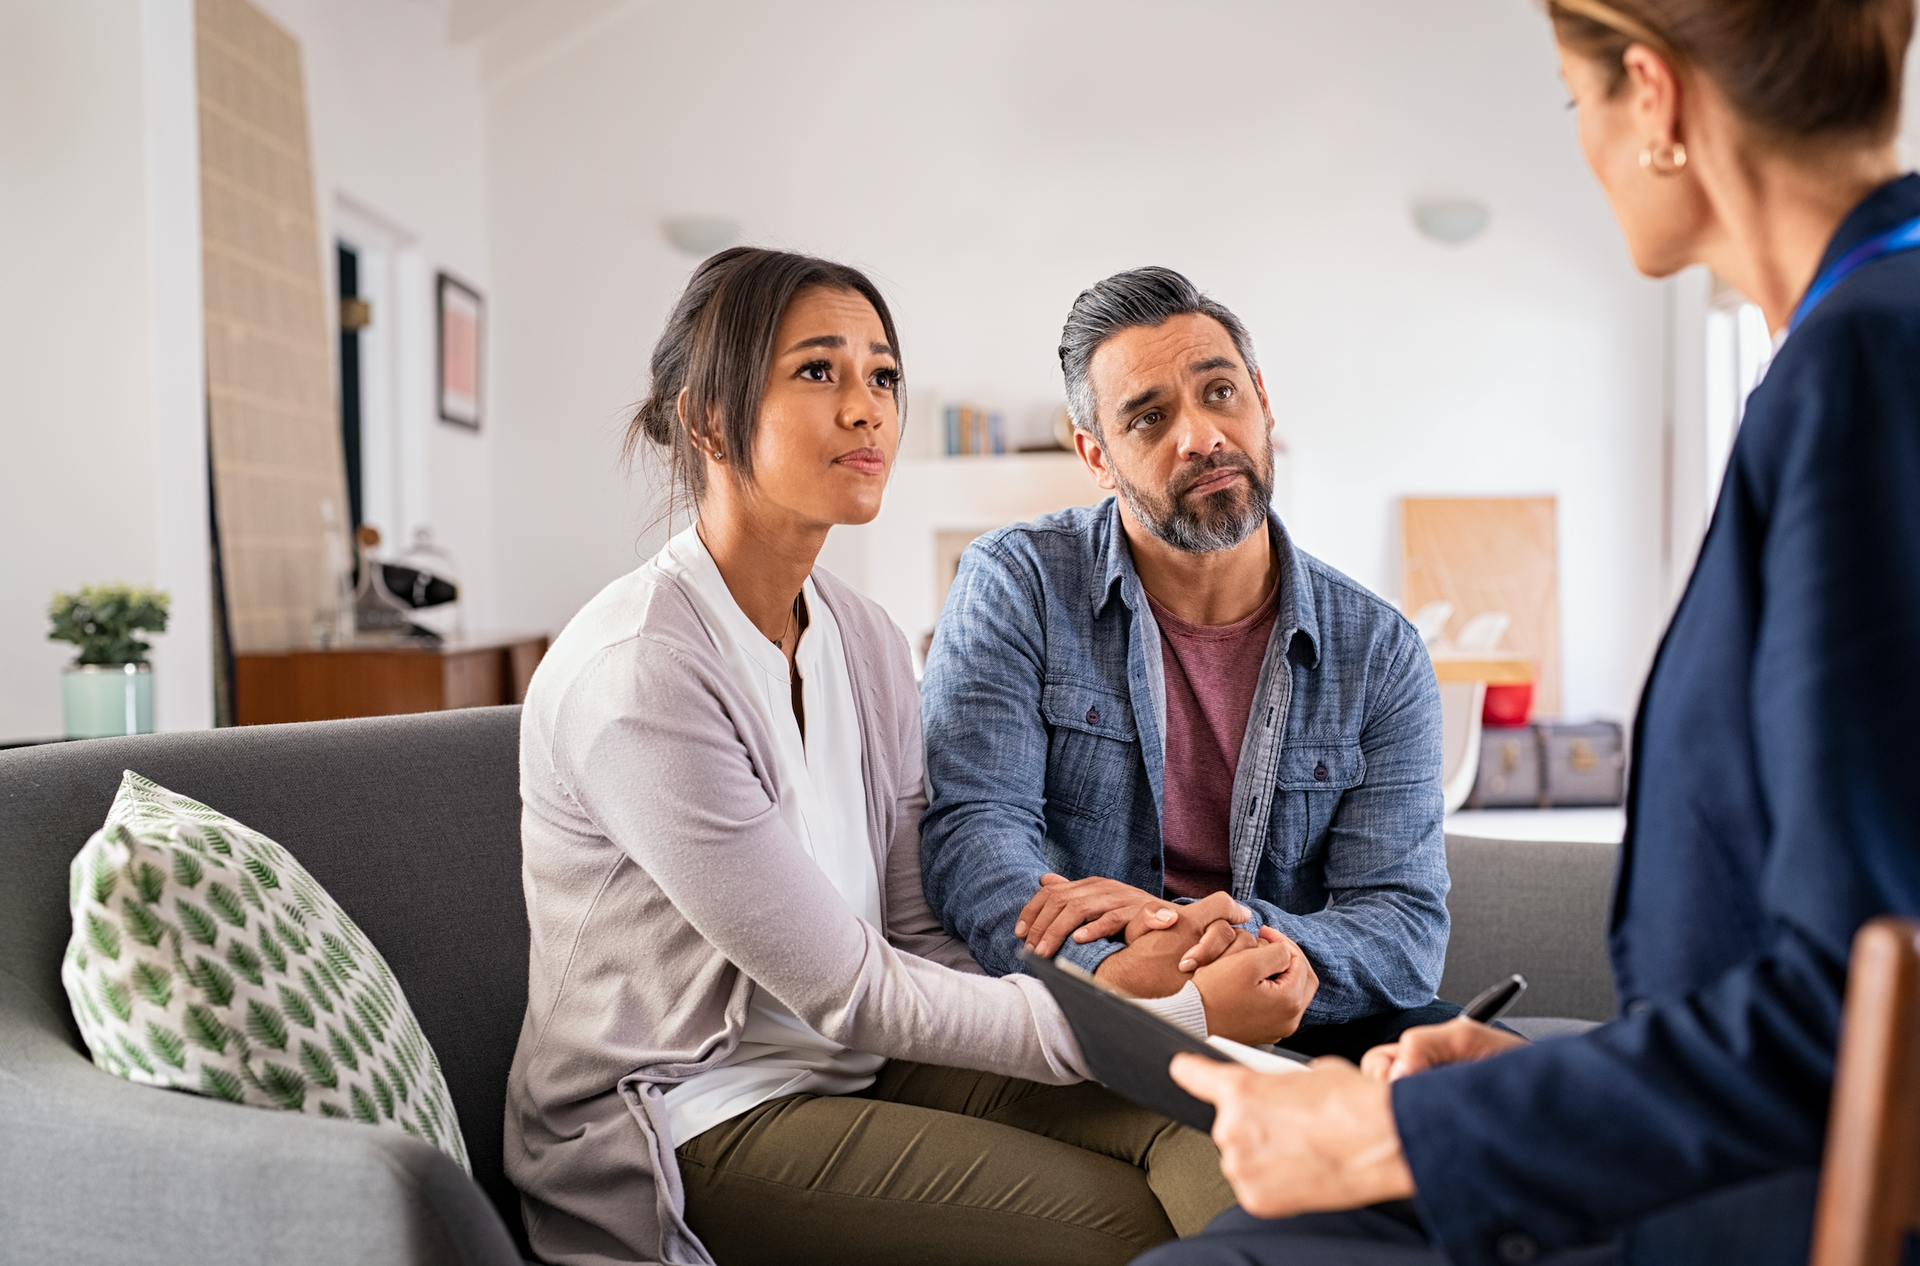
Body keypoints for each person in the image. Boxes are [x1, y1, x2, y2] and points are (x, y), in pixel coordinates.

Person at [1147, 1, 1920, 1262]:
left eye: (1578, 102)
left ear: (1655, 99)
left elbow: (1859, 1012)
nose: (1586, 145)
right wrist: (1508, 1079)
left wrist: (1393, 1138)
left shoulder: (1863, 369)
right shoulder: (1865, 337)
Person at [504, 246, 1257, 1266]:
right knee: (1112, 1222)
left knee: (1218, 1125)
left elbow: (915, 933)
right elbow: (847, 989)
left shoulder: (861, 635)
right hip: (699, 1116)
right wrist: (1149, 1006)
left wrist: (1118, 967)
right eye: (819, 371)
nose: (867, 409)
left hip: (867, 1064)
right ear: (709, 419)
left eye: (884, 376)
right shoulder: (641, 675)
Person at [920, 267, 1455, 1061]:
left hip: (1297, 1002)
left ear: (1262, 400)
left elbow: (1402, 922)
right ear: (1096, 456)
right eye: (1148, 418)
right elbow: (977, 836)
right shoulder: (1018, 583)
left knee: (1511, 1087)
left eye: (1220, 394)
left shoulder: (1379, 651)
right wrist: (1123, 977)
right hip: (1103, 1008)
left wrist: (1235, 941)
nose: (1202, 436)